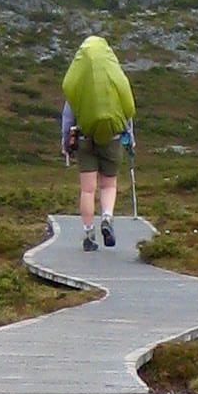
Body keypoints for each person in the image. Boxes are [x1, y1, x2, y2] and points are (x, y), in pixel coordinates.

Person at [61, 33, 135, 250]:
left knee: (87, 190)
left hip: (84, 138)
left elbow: (67, 116)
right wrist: (130, 137)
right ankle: (107, 218)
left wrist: (65, 142)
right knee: (109, 184)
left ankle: (88, 235)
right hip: (112, 138)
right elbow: (127, 109)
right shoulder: (115, 78)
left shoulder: (78, 85)